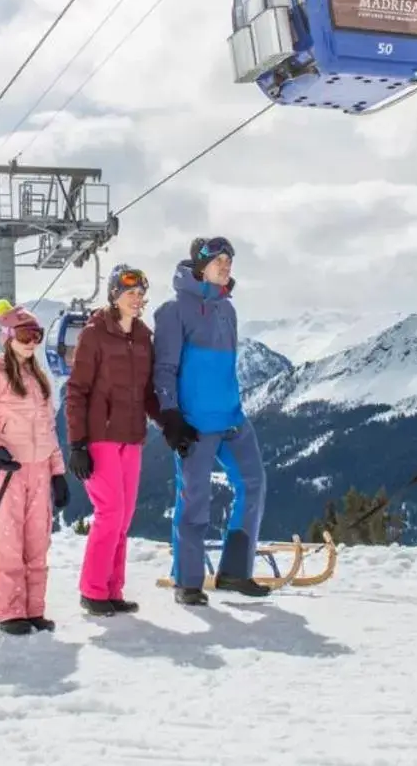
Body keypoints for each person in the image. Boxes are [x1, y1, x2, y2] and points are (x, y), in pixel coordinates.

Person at [152, 236, 271, 605]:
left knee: (253, 485)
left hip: (233, 418)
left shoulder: (227, 310)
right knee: (194, 499)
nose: (226, 266)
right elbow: (165, 369)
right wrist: (171, 416)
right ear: (200, 265)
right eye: (219, 260)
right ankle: (187, 581)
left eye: (229, 261)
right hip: (196, 424)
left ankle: (235, 571)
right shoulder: (174, 310)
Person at [0, 299, 70, 634]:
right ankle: (11, 612)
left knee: (38, 542)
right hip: (8, 472)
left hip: (39, 470)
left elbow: (48, 430)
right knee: (11, 542)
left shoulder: (40, 379)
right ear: (8, 337)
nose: (31, 343)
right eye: (24, 335)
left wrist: (58, 473)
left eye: (36, 335)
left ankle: (33, 609)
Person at [62, 264, 161, 616]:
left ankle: (112, 589)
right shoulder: (94, 335)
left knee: (125, 516)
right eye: (129, 292)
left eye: (140, 293)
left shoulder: (144, 338)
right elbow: (76, 391)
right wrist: (77, 444)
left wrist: (170, 422)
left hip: (132, 436)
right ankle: (92, 590)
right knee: (110, 512)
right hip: (101, 436)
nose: (136, 299)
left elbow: (148, 393)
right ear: (114, 295)